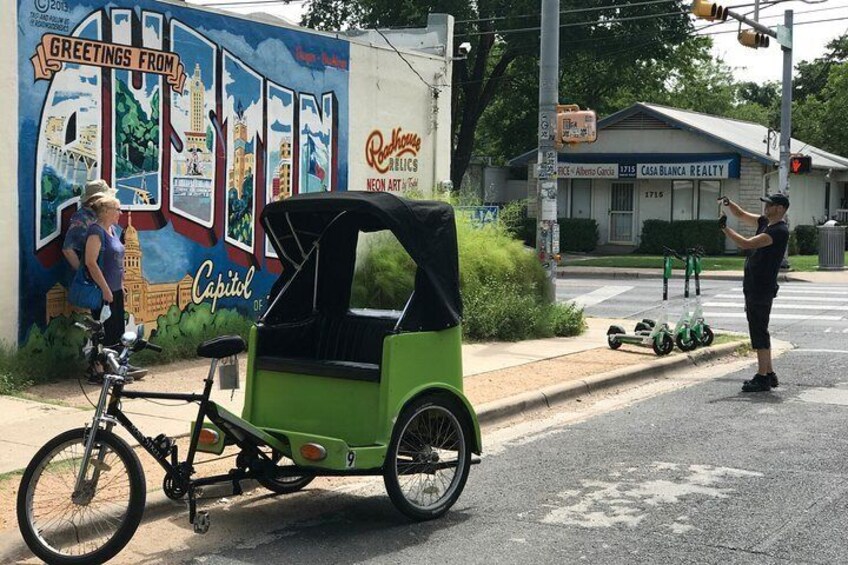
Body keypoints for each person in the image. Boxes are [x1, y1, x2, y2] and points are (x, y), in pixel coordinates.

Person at [719, 193, 790, 392]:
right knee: (759, 327)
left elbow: (746, 243)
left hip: (761, 287)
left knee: (759, 330)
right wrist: (729, 203)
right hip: (755, 285)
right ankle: (769, 373)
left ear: (781, 208)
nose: (766, 207)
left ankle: (762, 377)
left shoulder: (778, 231)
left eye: (770, 204)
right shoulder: (765, 223)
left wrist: (725, 228)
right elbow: (741, 214)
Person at [84, 194, 146, 382]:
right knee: (105, 330)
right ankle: (99, 370)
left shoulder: (111, 229)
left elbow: (117, 262)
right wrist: (105, 289)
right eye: (116, 209)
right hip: (103, 290)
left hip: (116, 289)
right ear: (106, 212)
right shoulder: (96, 232)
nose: (119, 213)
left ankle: (119, 365)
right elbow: (90, 262)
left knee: (117, 329)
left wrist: (120, 287)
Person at [62, 179, 116, 271]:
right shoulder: (81, 219)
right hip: (91, 282)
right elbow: (68, 250)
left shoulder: (100, 216)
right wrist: (85, 275)